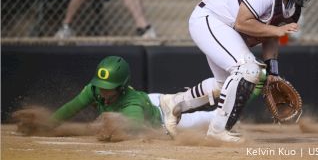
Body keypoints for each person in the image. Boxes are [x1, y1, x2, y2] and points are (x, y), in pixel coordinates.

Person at [159, 0, 318, 142]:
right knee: (248, 70)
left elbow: (270, 36)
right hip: (210, 19)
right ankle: (219, 130)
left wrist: (273, 72)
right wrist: (278, 31)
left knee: (225, 84)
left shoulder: (292, 5)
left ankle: (173, 103)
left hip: (227, 30)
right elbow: (243, 22)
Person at [13, 56, 214, 140]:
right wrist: (48, 123)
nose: (103, 92)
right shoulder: (93, 89)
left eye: (109, 88)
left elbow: (135, 126)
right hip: (149, 100)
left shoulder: (130, 103)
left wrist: (120, 123)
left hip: (162, 115)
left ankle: (223, 102)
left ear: (122, 87)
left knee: (204, 120)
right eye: (100, 86)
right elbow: (70, 108)